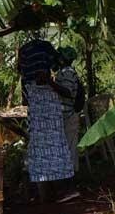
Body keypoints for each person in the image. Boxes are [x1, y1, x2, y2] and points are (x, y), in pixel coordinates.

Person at [18, 39, 74, 202]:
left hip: (48, 123)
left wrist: (46, 82)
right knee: (53, 153)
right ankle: (51, 193)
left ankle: (54, 192)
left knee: (52, 152)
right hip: (47, 125)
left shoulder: (62, 76)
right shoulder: (38, 86)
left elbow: (25, 101)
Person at [53, 47, 82, 202]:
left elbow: (68, 92)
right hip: (65, 117)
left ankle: (71, 189)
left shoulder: (67, 73)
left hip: (69, 117)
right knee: (67, 151)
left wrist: (51, 84)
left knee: (70, 152)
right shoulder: (64, 72)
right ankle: (66, 188)